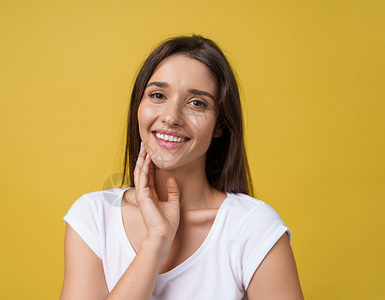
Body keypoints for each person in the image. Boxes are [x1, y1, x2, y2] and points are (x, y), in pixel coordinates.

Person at [60, 35, 304, 300]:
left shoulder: (254, 227)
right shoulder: (94, 217)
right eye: (157, 95)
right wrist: (156, 240)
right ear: (138, 107)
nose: (171, 117)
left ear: (220, 124)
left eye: (197, 103)